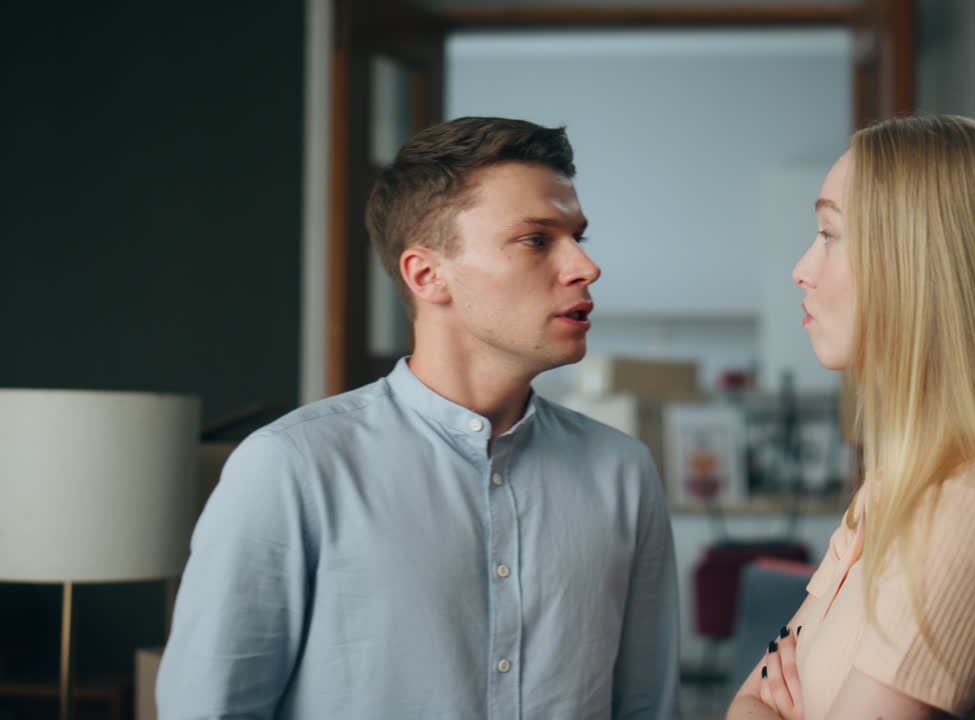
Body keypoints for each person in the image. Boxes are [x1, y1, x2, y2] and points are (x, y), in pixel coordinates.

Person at [157, 117, 680, 719]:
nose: (585, 267)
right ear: (427, 275)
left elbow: (648, 708)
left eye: (578, 237)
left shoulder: (624, 472)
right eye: (538, 240)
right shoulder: (291, 468)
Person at [727, 115, 975, 719]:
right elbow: (747, 700)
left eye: (829, 233)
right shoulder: (888, 495)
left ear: (917, 266)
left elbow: (760, 702)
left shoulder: (969, 516)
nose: (802, 268)